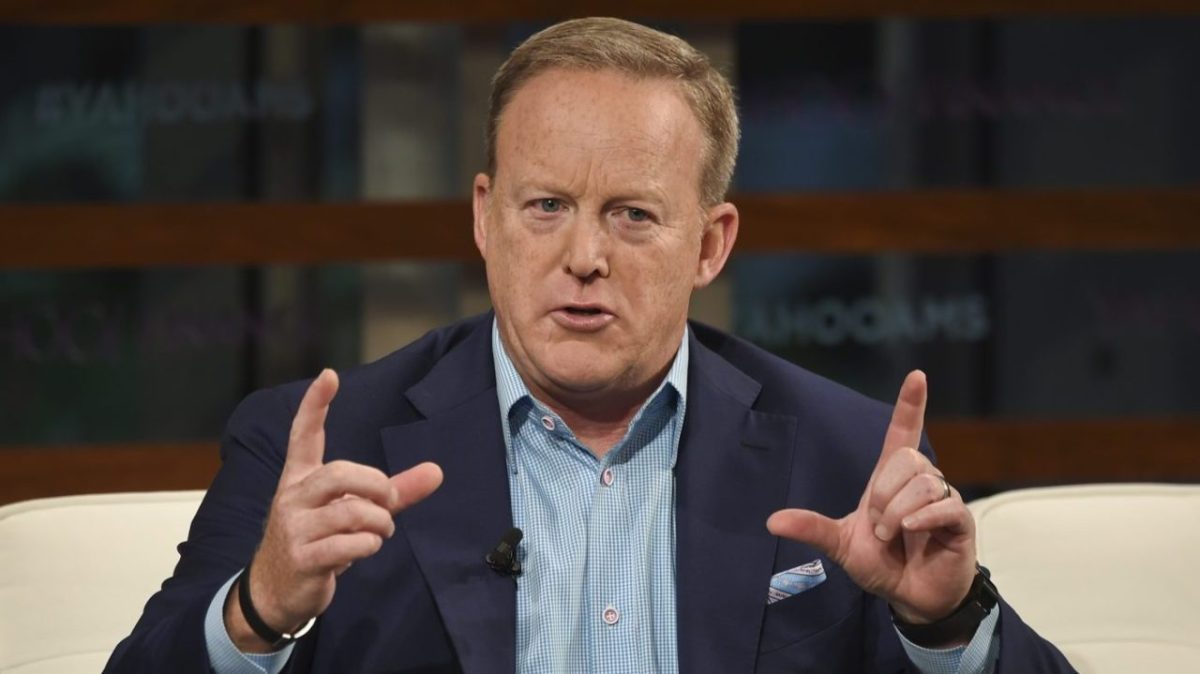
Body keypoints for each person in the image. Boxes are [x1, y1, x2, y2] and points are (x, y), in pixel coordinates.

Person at [106, 17, 1075, 673]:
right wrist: (259, 609)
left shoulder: (849, 454)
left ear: (710, 245)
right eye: (546, 206)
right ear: (484, 217)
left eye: (632, 214)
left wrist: (945, 622)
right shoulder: (315, 443)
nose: (583, 257)